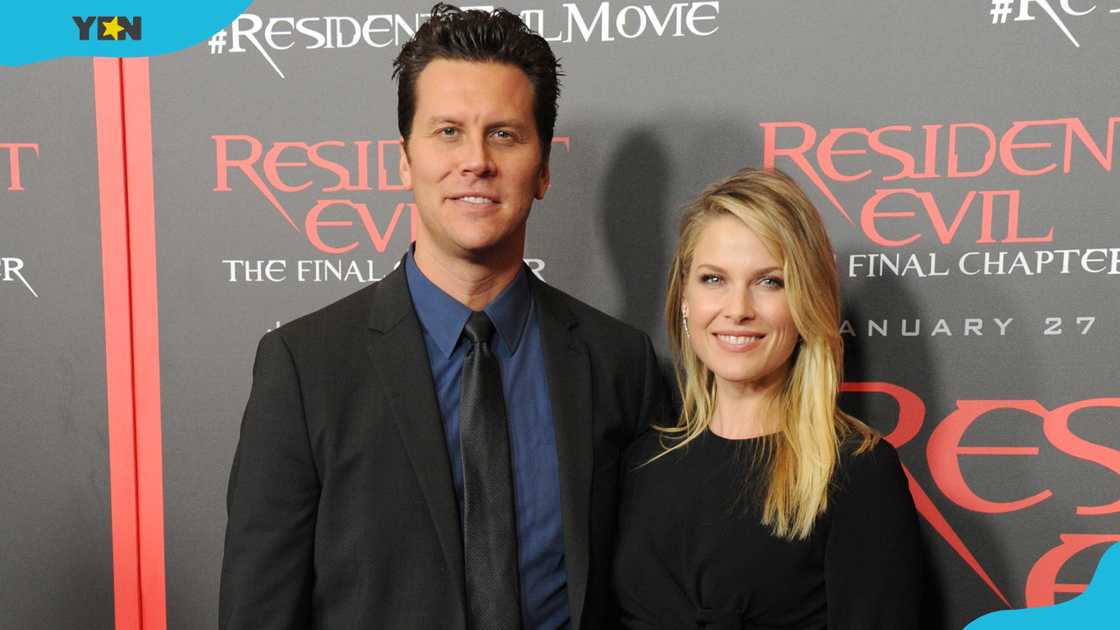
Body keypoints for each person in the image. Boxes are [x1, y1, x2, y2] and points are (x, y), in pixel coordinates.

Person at [219, 4, 668, 629]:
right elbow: (259, 610)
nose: (476, 161)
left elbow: (647, 597)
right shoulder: (304, 366)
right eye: (448, 131)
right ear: (405, 160)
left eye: (505, 134)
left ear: (542, 169)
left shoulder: (618, 362)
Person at [612, 168, 923, 629]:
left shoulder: (855, 472)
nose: (738, 309)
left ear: (806, 302)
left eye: (769, 282)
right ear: (684, 300)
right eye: (714, 279)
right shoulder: (642, 462)